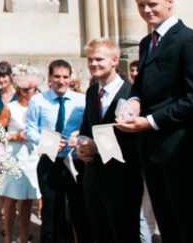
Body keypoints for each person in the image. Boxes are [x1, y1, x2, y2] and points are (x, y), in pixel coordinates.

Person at [115, 0, 193, 243]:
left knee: (189, 224)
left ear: (169, 3)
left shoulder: (192, 41)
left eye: (153, 4)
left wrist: (151, 121)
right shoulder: (147, 42)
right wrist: (133, 103)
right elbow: (142, 88)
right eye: (141, 5)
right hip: (151, 149)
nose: (147, 10)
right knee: (166, 224)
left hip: (179, 149)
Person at [75, 38, 142, 243]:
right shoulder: (92, 92)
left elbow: (137, 141)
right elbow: (86, 127)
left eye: (99, 59)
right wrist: (82, 147)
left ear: (114, 60)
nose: (93, 64)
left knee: (124, 235)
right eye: (90, 60)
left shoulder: (131, 95)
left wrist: (98, 148)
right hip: (93, 178)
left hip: (122, 180)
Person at [25, 59, 90, 243]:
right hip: (50, 160)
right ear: (49, 79)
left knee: (79, 210)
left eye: (65, 77)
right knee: (51, 210)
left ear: (70, 78)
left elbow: (87, 127)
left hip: (75, 162)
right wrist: (49, 142)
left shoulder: (81, 101)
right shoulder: (38, 101)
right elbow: (30, 129)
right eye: (57, 77)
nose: (61, 81)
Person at [0, 67, 41, 243]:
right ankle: (8, 236)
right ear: (22, 91)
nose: (35, 92)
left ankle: (24, 236)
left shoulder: (38, 107)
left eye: (35, 89)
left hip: (32, 157)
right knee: (11, 199)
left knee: (27, 199)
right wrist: (15, 136)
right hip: (15, 156)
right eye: (31, 89)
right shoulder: (10, 108)